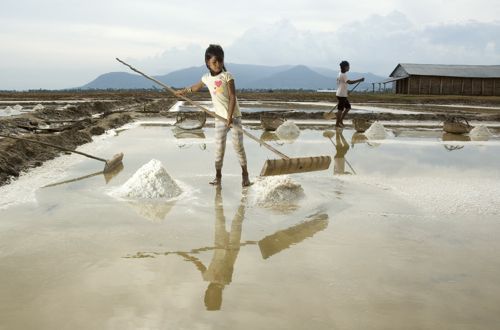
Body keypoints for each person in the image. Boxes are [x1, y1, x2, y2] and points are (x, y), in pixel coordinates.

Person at [175, 44, 251, 187]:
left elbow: (233, 97)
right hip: (219, 119)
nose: (217, 65)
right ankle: (218, 177)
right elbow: (196, 87)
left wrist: (229, 118)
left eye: (220, 61)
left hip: (234, 118)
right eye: (214, 62)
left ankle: (245, 175)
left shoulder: (227, 76)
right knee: (219, 148)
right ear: (207, 64)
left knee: (238, 147)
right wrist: (182, 91)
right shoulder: (206, 78)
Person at [335, 61, 364, 128]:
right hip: (341, 94)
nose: (349, 67)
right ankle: (337, 124)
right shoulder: (343, 75)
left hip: (341, 93)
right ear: (345, 67)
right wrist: (359, 80)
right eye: (348, 66)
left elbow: (341, 84)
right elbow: (349, 82)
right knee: (340, 109)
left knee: (348, 107)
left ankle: (340, 121)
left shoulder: (340, 74)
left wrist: (346, 91)